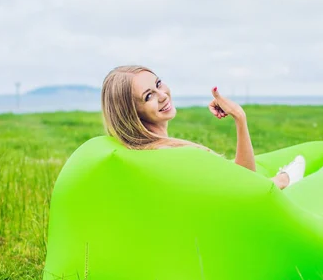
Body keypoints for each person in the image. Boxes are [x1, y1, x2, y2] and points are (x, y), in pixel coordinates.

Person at [101, 65, 305, 189]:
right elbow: (246, 185)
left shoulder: (144, 151)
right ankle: (281, 181)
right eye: (148, 96)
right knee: (282, 178)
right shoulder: (176, 155)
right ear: (132, 114)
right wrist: (239, 117)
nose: (162, 95)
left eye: (159, 83)